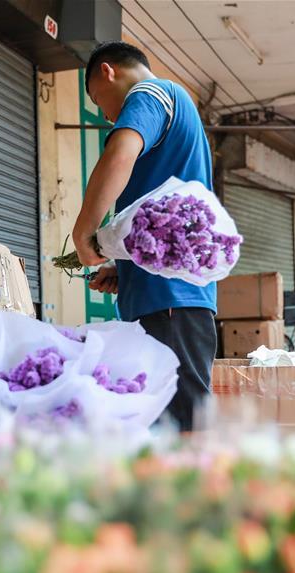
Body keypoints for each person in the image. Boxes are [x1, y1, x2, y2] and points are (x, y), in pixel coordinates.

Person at [72, 41, 216, 431]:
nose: (105, 114)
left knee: (184, 427)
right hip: (166, 297)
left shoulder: (151, 94)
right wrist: (126, 269)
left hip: (171, 300)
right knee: (165, 426)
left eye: (99, 101)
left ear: (107, 71)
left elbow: (120, 154)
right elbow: (158, 218)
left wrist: (85, 230)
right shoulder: (173, 110)